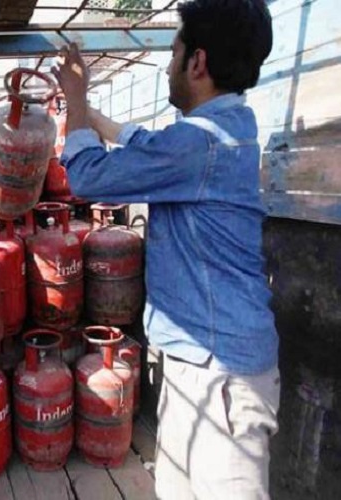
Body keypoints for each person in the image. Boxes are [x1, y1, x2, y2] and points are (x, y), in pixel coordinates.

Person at [52, 1, 280, 498]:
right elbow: (148, 144)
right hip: (200, 362)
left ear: (197, 62)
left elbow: (87, 177)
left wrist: (76, 101)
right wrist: (89, 114)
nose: (167, 66)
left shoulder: (201, 145)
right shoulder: (228, 128)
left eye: (173, 53)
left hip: (220, 374)